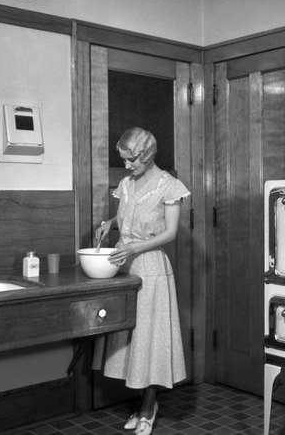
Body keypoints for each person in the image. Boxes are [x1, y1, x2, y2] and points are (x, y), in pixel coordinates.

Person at [91, 127, 189, 435]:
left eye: (131, 160)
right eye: (124, 160)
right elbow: (129, 215)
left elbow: (170, 234)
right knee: (131, 337)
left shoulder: (170, 187)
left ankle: (149, 406)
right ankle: (142, 403)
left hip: (151, 268)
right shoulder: (126, 183)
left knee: (150, 338)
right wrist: (110, 223)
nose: (126, 166)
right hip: (125, 265)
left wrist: (135, 247)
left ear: (146, 156)